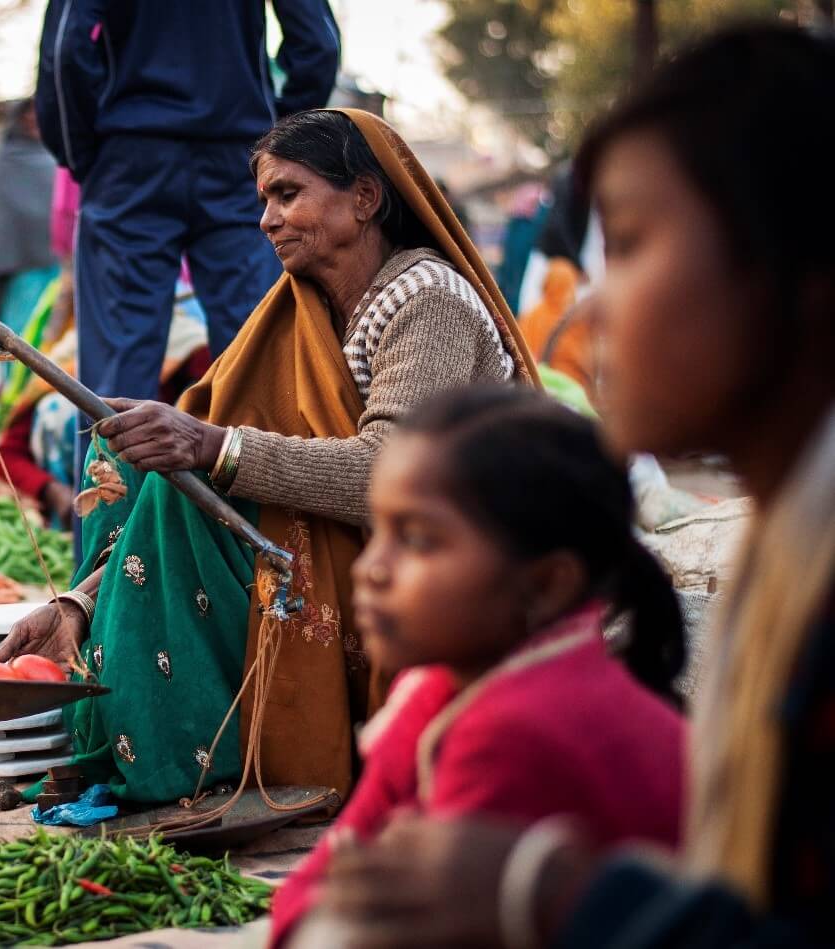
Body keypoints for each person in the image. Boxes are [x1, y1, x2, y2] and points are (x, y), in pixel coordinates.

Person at [318, 24, 835, 948]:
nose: (588, 312)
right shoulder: (785, 542)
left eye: (630, 246)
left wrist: (559, 894)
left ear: (799, 274)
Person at [0, 108, 538, 803]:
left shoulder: (425, 298)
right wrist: (77, 604)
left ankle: (190, 760)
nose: (265, 220)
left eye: (287, 194)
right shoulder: (302, 309)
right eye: (263, 201)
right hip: (356, 545)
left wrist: (211, 445)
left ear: (365, 198)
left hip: (447, 559)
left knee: (189, 457)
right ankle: (157, 741)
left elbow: (393, 472)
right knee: (138, 463)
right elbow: (201, 457)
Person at [271, 386, 687, 947]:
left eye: (416, 539)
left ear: (542, 585)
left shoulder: (515, 731)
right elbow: (319, 879)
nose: (371, 569)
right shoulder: (451, 683)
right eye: (379, 531)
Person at [36, 0, 341, 416]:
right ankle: (252, 479)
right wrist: (279, 140)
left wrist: (82, 152)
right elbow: (318, 43)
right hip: (239, 157)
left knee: (117, 371)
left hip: (131, 158)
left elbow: (67, 47)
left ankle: (112, 481)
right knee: (254, 353)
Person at [0, 304, 212, 525]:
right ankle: (80, 535)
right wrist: (52, 491)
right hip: (80, 492)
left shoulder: (191, 347)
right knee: (56, 411)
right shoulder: (74, 351)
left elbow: (211, 421)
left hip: (168, 486)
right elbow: (7, 452)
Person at [0, 98, 60, 334]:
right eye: (27, 116)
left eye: (39, 115)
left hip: (59, 266)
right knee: (20, 335)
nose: (33, 121)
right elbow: (4, 216)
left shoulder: (62, 158)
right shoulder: (6, 160)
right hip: (21, 269)